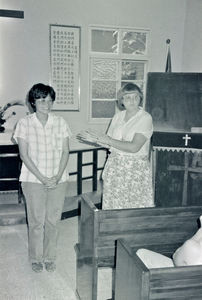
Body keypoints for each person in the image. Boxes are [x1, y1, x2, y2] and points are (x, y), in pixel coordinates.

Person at [13, 83, 72, 273]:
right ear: (33, 101)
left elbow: (65, 151)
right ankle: (36, 258)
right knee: (37, 221)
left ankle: (50, 257)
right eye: (41, 99)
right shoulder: (24, 123)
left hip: (58, 179)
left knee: (53, 221)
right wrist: (42, 177)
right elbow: (24, 155)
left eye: (49, 99)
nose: (46, 103)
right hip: (32, 179)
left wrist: (56, 176)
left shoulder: (61, 122)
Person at [78, 83, 154, 209]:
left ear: (140, 99)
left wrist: (107, 140)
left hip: (134, 170)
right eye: (128, 97)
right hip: (115, 166)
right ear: (121, 100)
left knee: (133, 205)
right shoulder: (118, 116)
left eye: (136, 97)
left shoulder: (145, 118)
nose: (132, 101)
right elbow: (110, 143)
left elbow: (133, 147)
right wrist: (96, 139)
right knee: (113, 205)